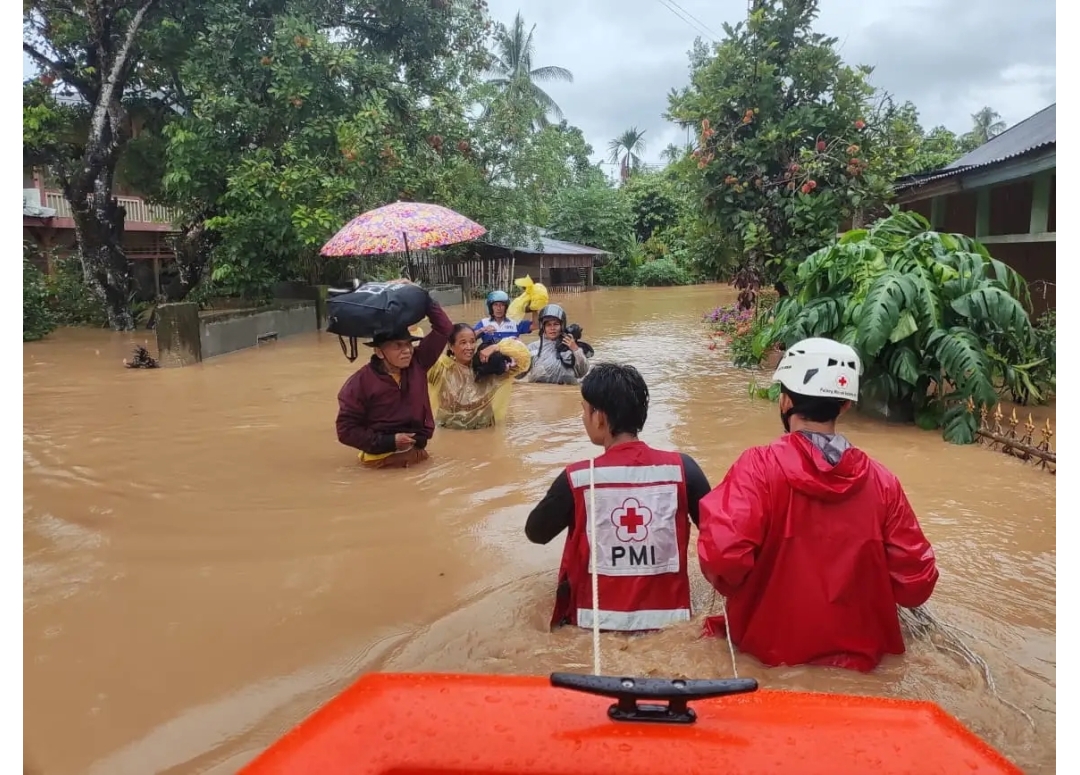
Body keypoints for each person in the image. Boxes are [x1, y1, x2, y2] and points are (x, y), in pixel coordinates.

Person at [697, 337, 939, 672]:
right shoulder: (884, 483)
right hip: (862, 667)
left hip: (767, 661)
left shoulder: (757, 468)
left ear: (785, 401)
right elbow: (916, 585)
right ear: (845, 406)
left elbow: (722, 561)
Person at [525, 362, 712, 632]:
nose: (583, 418)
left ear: (599, 417)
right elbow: (721, 539)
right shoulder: (684, 469)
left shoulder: (577, 479)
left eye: (584, 410)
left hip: (590, 630)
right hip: (671, 626)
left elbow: (536, 533)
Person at [335, 284, 454, 469]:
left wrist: (425, 299)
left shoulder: (418, 362)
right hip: (380, 462)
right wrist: (390, 441)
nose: (407, 351)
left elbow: (444, 328)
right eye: (398, 346)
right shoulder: (360, 383)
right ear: (379, 352)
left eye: (408, 344)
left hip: (417, 454)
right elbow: (345, 430)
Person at [427, 323, 532, 430]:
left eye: (472, 342)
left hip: (485, 430)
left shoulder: (488, 368)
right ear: (451, 346)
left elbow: (525, 357)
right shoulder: (441, 368)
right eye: (463, 343)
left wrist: (496, 347)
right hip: (448, 430)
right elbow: (420, 360)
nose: (469, 347)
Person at [521, 303, 590, 385]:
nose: (552, 328)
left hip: (566, 392)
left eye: (556, 324)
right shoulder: (532, 347)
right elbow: (519, 375)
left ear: (562, 326)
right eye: (548, 325)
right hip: (539, 392)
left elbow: (582, 372)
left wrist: (575, 349)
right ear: (543, 327)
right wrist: (513, 360)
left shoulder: (571, 346)